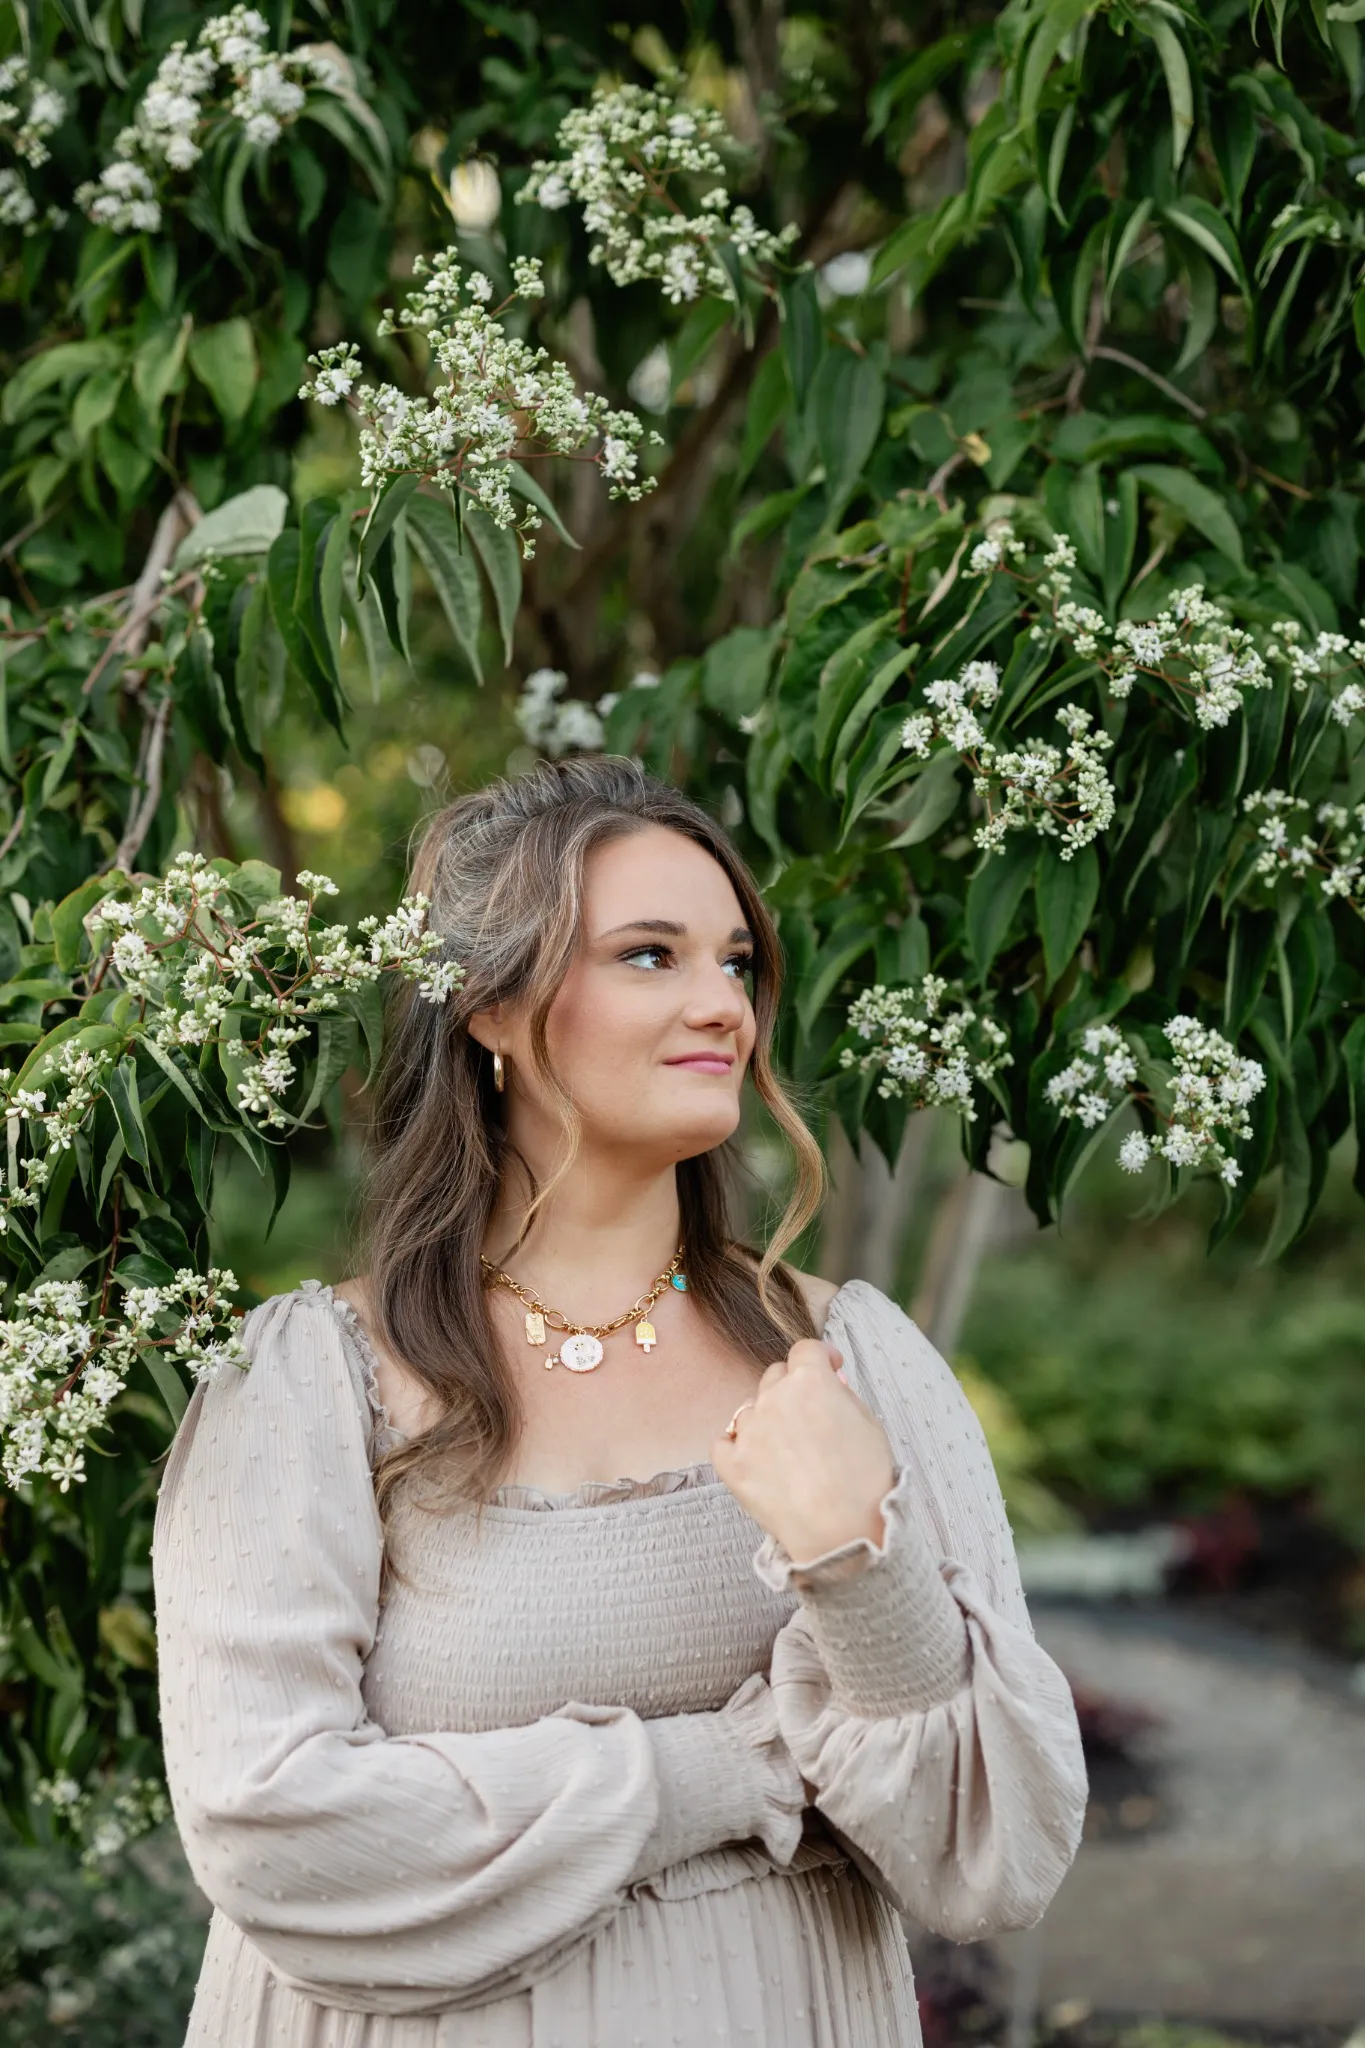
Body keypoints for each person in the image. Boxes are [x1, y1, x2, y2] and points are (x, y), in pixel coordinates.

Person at [153, 754, 1086, 2048]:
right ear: (489, 1009)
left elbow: (996, 1859)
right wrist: (743, 1769)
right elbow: (277, 1838)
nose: (722, 1006)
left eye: (739, 964)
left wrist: (857, 1567)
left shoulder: (848, 1365)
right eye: (651, 956)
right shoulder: (313, 1386)